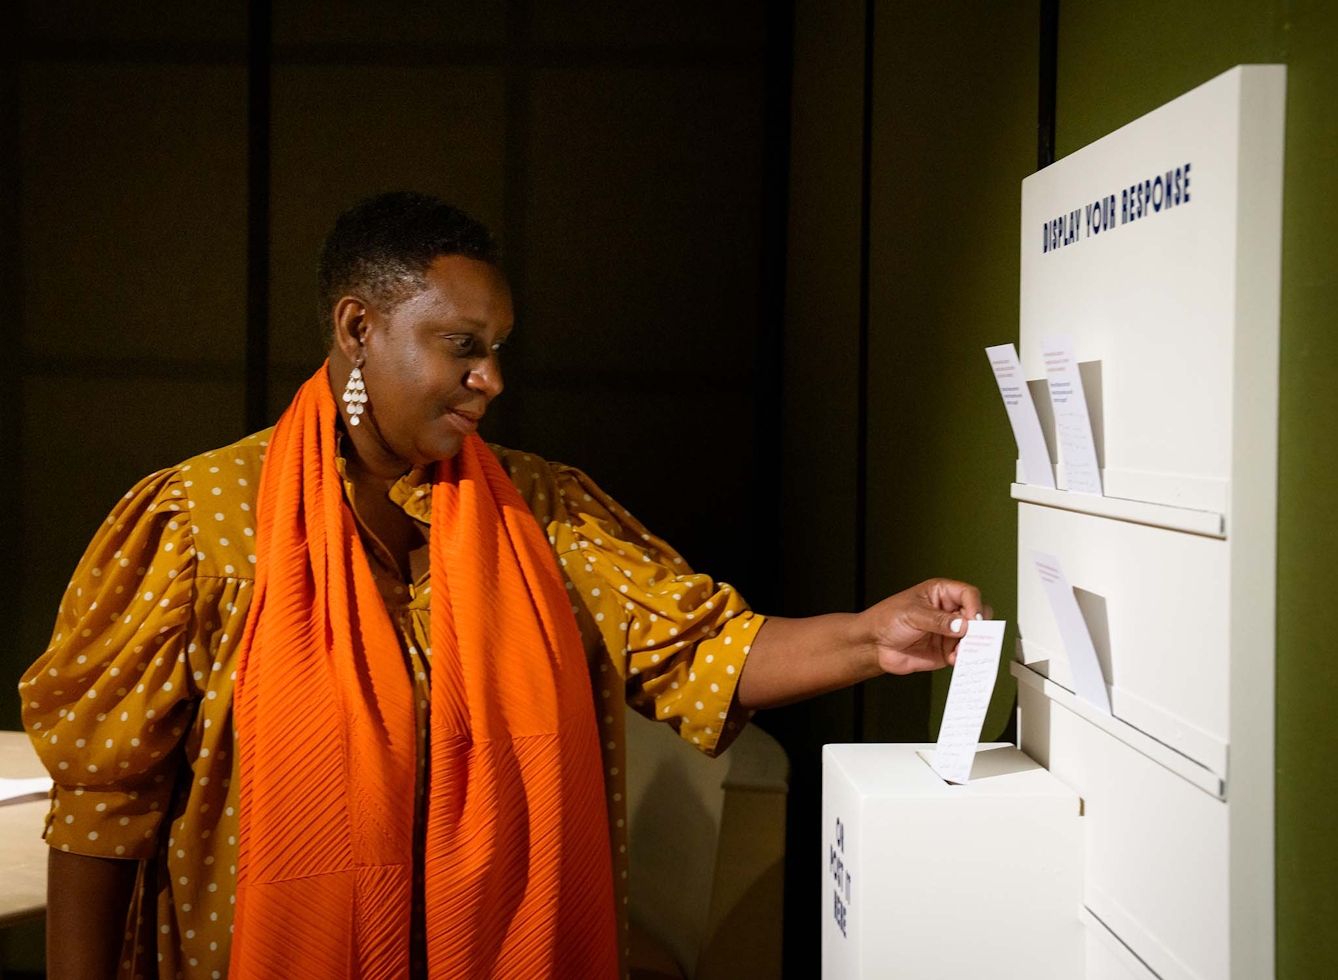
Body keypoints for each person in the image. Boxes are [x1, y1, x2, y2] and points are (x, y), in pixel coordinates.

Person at [20, 192, 989, 980]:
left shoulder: (544, 509)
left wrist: (875, 636)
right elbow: (104, 808)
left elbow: (703, 649)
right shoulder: (200, 524)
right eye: (463, 345)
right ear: (358, 327)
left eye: (499, 349)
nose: (491, 379)